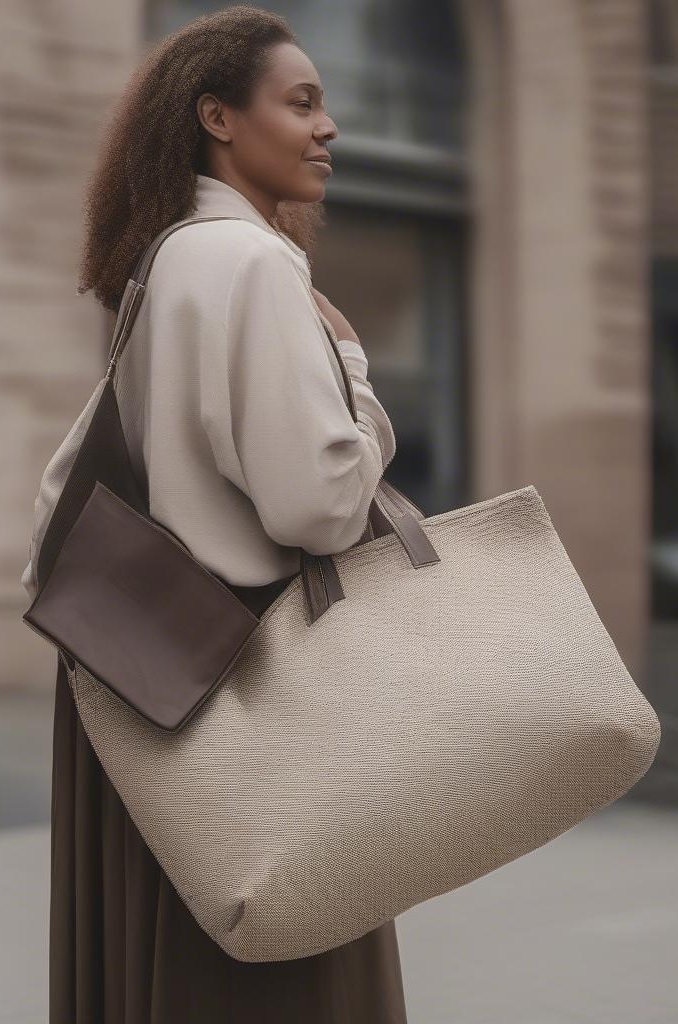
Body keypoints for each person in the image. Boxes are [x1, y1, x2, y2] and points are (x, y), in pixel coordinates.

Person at [33, 6, 408, 1021]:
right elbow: (321, 504)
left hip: (157, 674)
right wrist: (362, 389)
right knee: (287, 972)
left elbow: (66, 483)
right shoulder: (250, 263)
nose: (328, 128)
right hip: (256, 684)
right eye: (302, 102)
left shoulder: (165, 262)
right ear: (218, 117)